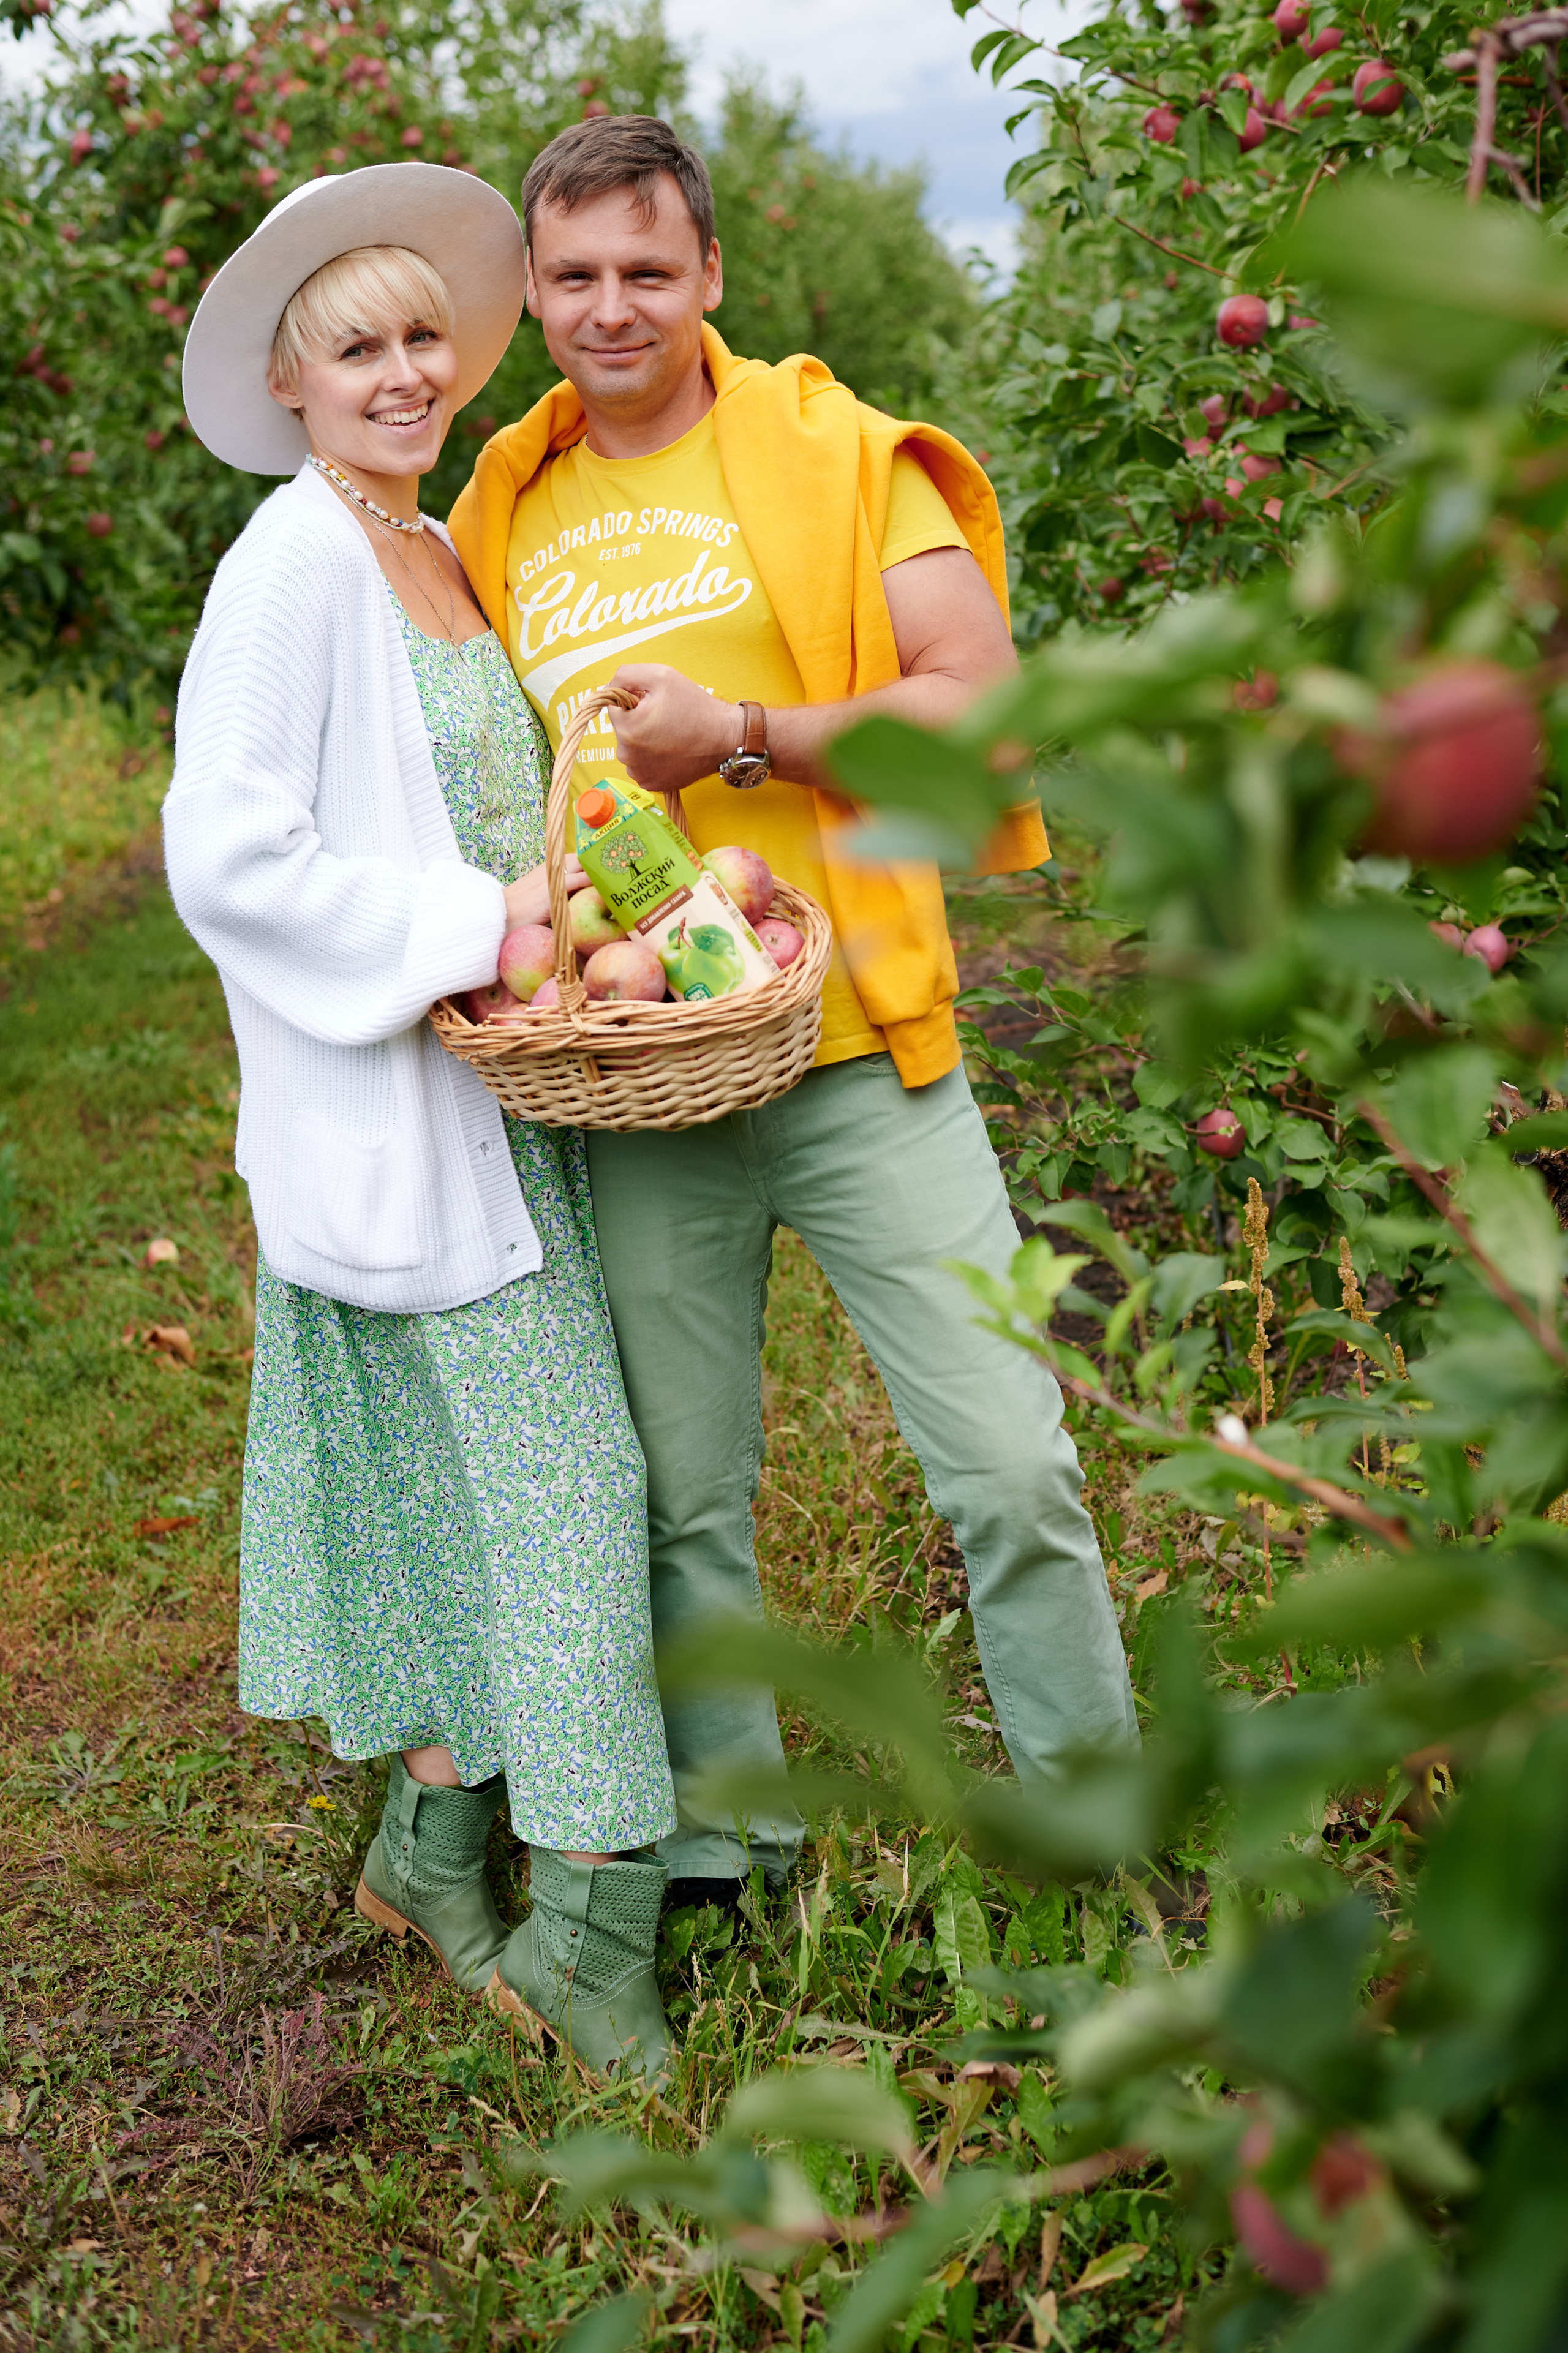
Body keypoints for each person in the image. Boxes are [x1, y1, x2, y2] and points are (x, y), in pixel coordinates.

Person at [448, 118, 1139, 1911]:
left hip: (852, 1051)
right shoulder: (503, 509)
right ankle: (728, 1837)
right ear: (533, 292)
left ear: (713, 278)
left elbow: (979, 701)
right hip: (642, 1083)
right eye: (577, 277)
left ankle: (1093, 1818)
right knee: (682, 1496)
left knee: (1012, 1463)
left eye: (648, 273)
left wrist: (744, 737)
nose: (613, 310)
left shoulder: (840, 453)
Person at [164, 162, 676, 2077]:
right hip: (402, 1096)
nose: (402, 371)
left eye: (419, 339)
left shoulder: (431, 545)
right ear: (293, 384)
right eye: (355, 347)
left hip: (497, 1085)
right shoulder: (292, 562)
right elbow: (228, 853)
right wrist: (479, 924)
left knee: (447, 1492)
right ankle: (603, 1932)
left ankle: (430, 1843)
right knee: (567, 1495)